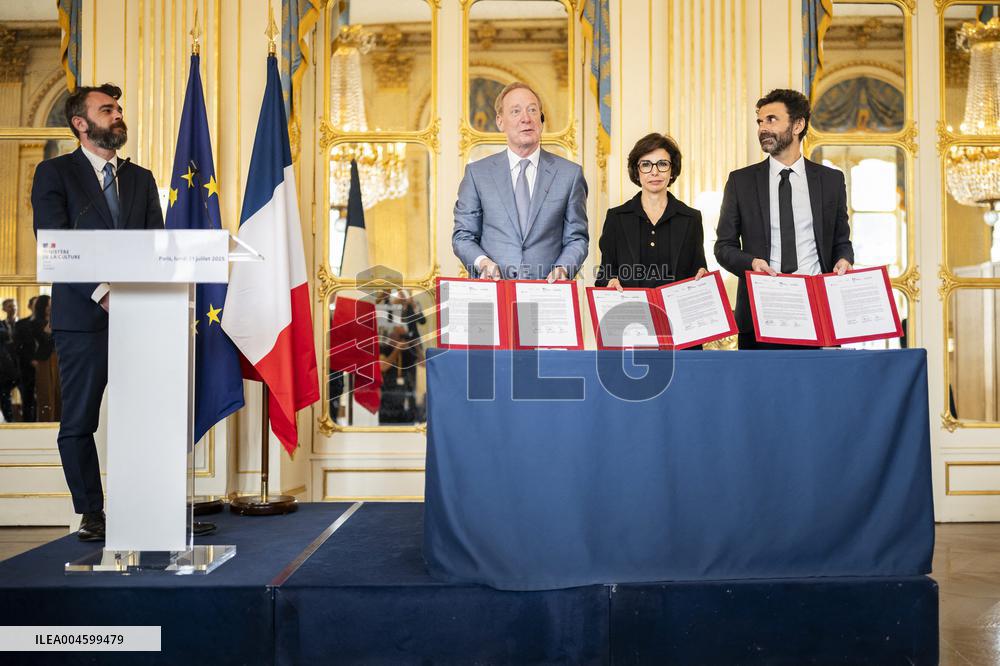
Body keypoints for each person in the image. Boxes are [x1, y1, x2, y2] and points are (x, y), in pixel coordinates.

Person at [31, 83, 164, 541]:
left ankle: (151, 506)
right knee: (80, 420)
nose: (117, 114)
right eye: (107, 109)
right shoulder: (55, 174)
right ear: (80, 123)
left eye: (119, 109)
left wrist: (147, 297)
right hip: (83, 320)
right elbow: (55, 243)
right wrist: (104, 292)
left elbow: (156, 248)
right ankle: (92, 513)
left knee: (149, 416)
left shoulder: (141, 179)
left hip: (142, 318)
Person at [714, 88, 854, 350]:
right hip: (760, 310)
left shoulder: (831, 181)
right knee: (761, 391)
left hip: (818, 309)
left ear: (798, 125)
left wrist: (844, 260)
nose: (762, 128)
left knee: (813, 390)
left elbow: (841, 241)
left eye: (772, 120)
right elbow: (723, 247)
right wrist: (752, 263)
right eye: (760, 121)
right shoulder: (740, 181)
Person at [453, 81, 589, 282]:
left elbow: (577, 238)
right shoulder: (477, 174)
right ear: (500, 122)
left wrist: (564, 268)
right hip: (494, 295)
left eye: (532, 110)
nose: (526, 119)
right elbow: (463, 236)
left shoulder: (570, 175)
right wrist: (483, 262)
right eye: (516, 112)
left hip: (548, 294)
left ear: (541, 120)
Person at [596, 132, 708, 291]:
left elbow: (698, 268)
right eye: (646, 164)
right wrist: (610, 281)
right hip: (632, 309)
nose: (654, 172)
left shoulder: (691, 218)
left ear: (672, 170)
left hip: (674, 312)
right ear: (637, 171)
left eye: (662, 164)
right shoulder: (616, 218)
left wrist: (703, 275)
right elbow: (604, 274)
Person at [13, 295, 57, 422]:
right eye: (48, 305)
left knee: (57, 394)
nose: (50, 307)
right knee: (44, 394)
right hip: (42, 361)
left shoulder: (57, 320)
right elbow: (44, 340)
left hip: (56, 360)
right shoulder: (35, 323)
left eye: (51, 304)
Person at [0, 299, 17, 421]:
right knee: (5, 396)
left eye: (14, 306)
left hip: (22, 365)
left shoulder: (23, 323)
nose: (13, 308)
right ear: (4, 309)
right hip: (6, 367)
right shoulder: (1, 325)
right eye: (9, 306)